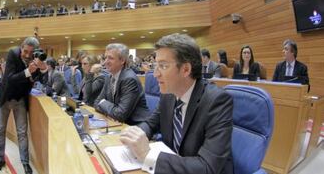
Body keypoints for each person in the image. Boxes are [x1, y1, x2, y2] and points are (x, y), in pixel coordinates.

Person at [119, 33, 233, 173]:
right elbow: (151, 124)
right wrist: (135, 134)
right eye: (156, 65)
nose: (155, 74)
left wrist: (148, 155)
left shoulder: (217, 101)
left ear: (185, 69)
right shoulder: (169, 95)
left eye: (163, 66)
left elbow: (207, 167)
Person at [0, 37, 47, 174]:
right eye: (25, 51)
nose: (27, 55)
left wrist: (42, 68)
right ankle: (0, 159)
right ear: (21, 47)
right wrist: (28, 71)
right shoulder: (12, 53)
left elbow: (41, 80)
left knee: (22, 133)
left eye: (31, 52)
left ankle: (25, 163)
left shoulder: (36, 58)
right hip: (5, 97)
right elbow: (10, 79)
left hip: (20, 99)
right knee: (0, 130)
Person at [94, 43, 150, 125]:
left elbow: (120, 114)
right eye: (105, 58)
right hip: (117, 123)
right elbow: (96, 103)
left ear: (122, 60)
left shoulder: (129, 79)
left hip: (135, 126)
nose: (106, 62)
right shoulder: (109, 77)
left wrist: (103, 103)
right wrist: (111, 112)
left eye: (110, 58)